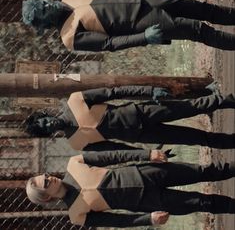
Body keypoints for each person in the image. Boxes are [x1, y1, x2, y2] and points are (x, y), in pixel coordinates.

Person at [26, 150, 235, 227]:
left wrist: (147, 155)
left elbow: (114, 156)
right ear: (46, 198)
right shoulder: (76, 215)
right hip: (148, 202)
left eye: (45, 175)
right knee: (203, 202)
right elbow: (118, 221)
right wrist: (148, 220)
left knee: (206, 171)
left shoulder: (74, 163)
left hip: (148, 172)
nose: (49, 177)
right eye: (45, 183)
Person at [22, 0, 235, 51]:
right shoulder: (69, 37)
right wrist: (144, 38)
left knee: (204, 9)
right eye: (43, 10)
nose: (47, 5)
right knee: (198, 30)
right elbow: (110, 44)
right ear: (44, 23)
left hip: (144, 0)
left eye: (43, 2)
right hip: (142, 23)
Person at [24, 83, 235, 150]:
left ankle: (227, 100)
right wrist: (147, 154)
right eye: (45, 128)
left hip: (140, 112)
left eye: (44, 120)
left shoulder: (74, 101)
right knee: (196, 139)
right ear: (49, 134)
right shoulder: (76, 142)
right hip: (142, 136)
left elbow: (114, 92)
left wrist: (149, 91)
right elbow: (115, 149)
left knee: (190, 107)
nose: (49, 123)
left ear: (45, 114)